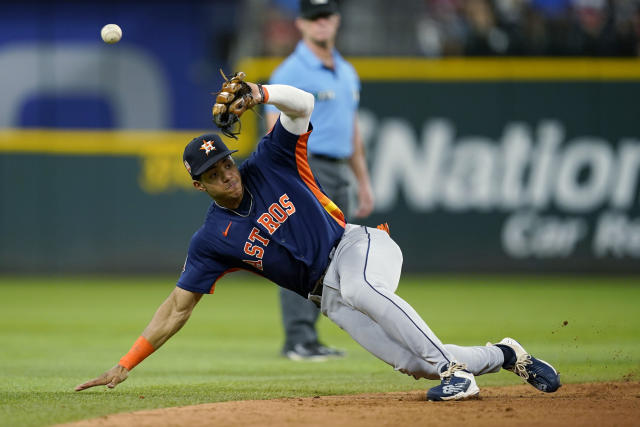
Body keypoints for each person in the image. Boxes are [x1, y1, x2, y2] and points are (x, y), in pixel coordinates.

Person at [75, 81, 561, 401]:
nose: (226, 173)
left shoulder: (269, 162)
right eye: (212, 173)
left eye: (224, 161)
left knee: (361, 289)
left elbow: (304, 105)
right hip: (325, 294)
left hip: (357, 247)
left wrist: (261, 93)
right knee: (412, 364)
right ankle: (505, 354)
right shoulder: (212, 240)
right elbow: (176, 308)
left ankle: (457, 376)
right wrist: (125, 364)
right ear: (198, 184)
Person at [265, 0, 374, 361]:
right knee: (300, 254)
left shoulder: (346, 71)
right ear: (301, 24)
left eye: (326, 16)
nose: (321, 24)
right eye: (314, 18)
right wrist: (282, 178)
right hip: (305, 167)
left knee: (329, 257)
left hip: (337, 167)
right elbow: (272, 129)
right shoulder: (291, 69)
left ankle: (309, 339)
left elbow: (351, 130)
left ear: (336, 20)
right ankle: (297, 339)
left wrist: (364, 180)